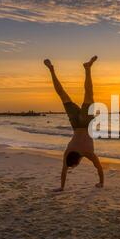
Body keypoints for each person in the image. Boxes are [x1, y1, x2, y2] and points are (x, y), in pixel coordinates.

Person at [44, 56, 104, 192]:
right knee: (63, 95)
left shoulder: (88, 153)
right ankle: (51, 70)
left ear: (77, 161)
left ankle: (88, 69)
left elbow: (99, 168)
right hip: (75, 125)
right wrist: (61, 187)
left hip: (86, 123)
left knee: (89, 94)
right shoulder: (68, 152)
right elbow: (64, 171)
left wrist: (101, 183)